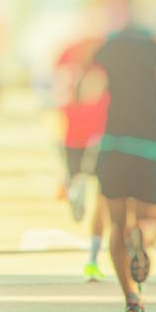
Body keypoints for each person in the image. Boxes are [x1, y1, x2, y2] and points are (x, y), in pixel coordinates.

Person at [75, 0, 156, 312]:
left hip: (114, 145)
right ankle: (141, 233)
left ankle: (133, 302)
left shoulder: (105, 47)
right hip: (149, 145)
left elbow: (83, 90)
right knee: (150, 219)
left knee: (115, 224)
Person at [56, 35, 109, 282]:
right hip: (82, 139)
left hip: (87, 140)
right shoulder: (83, 72)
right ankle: (93, 258)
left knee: (99, 197)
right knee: (94, 198)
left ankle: (93, 258)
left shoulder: (81, 71)